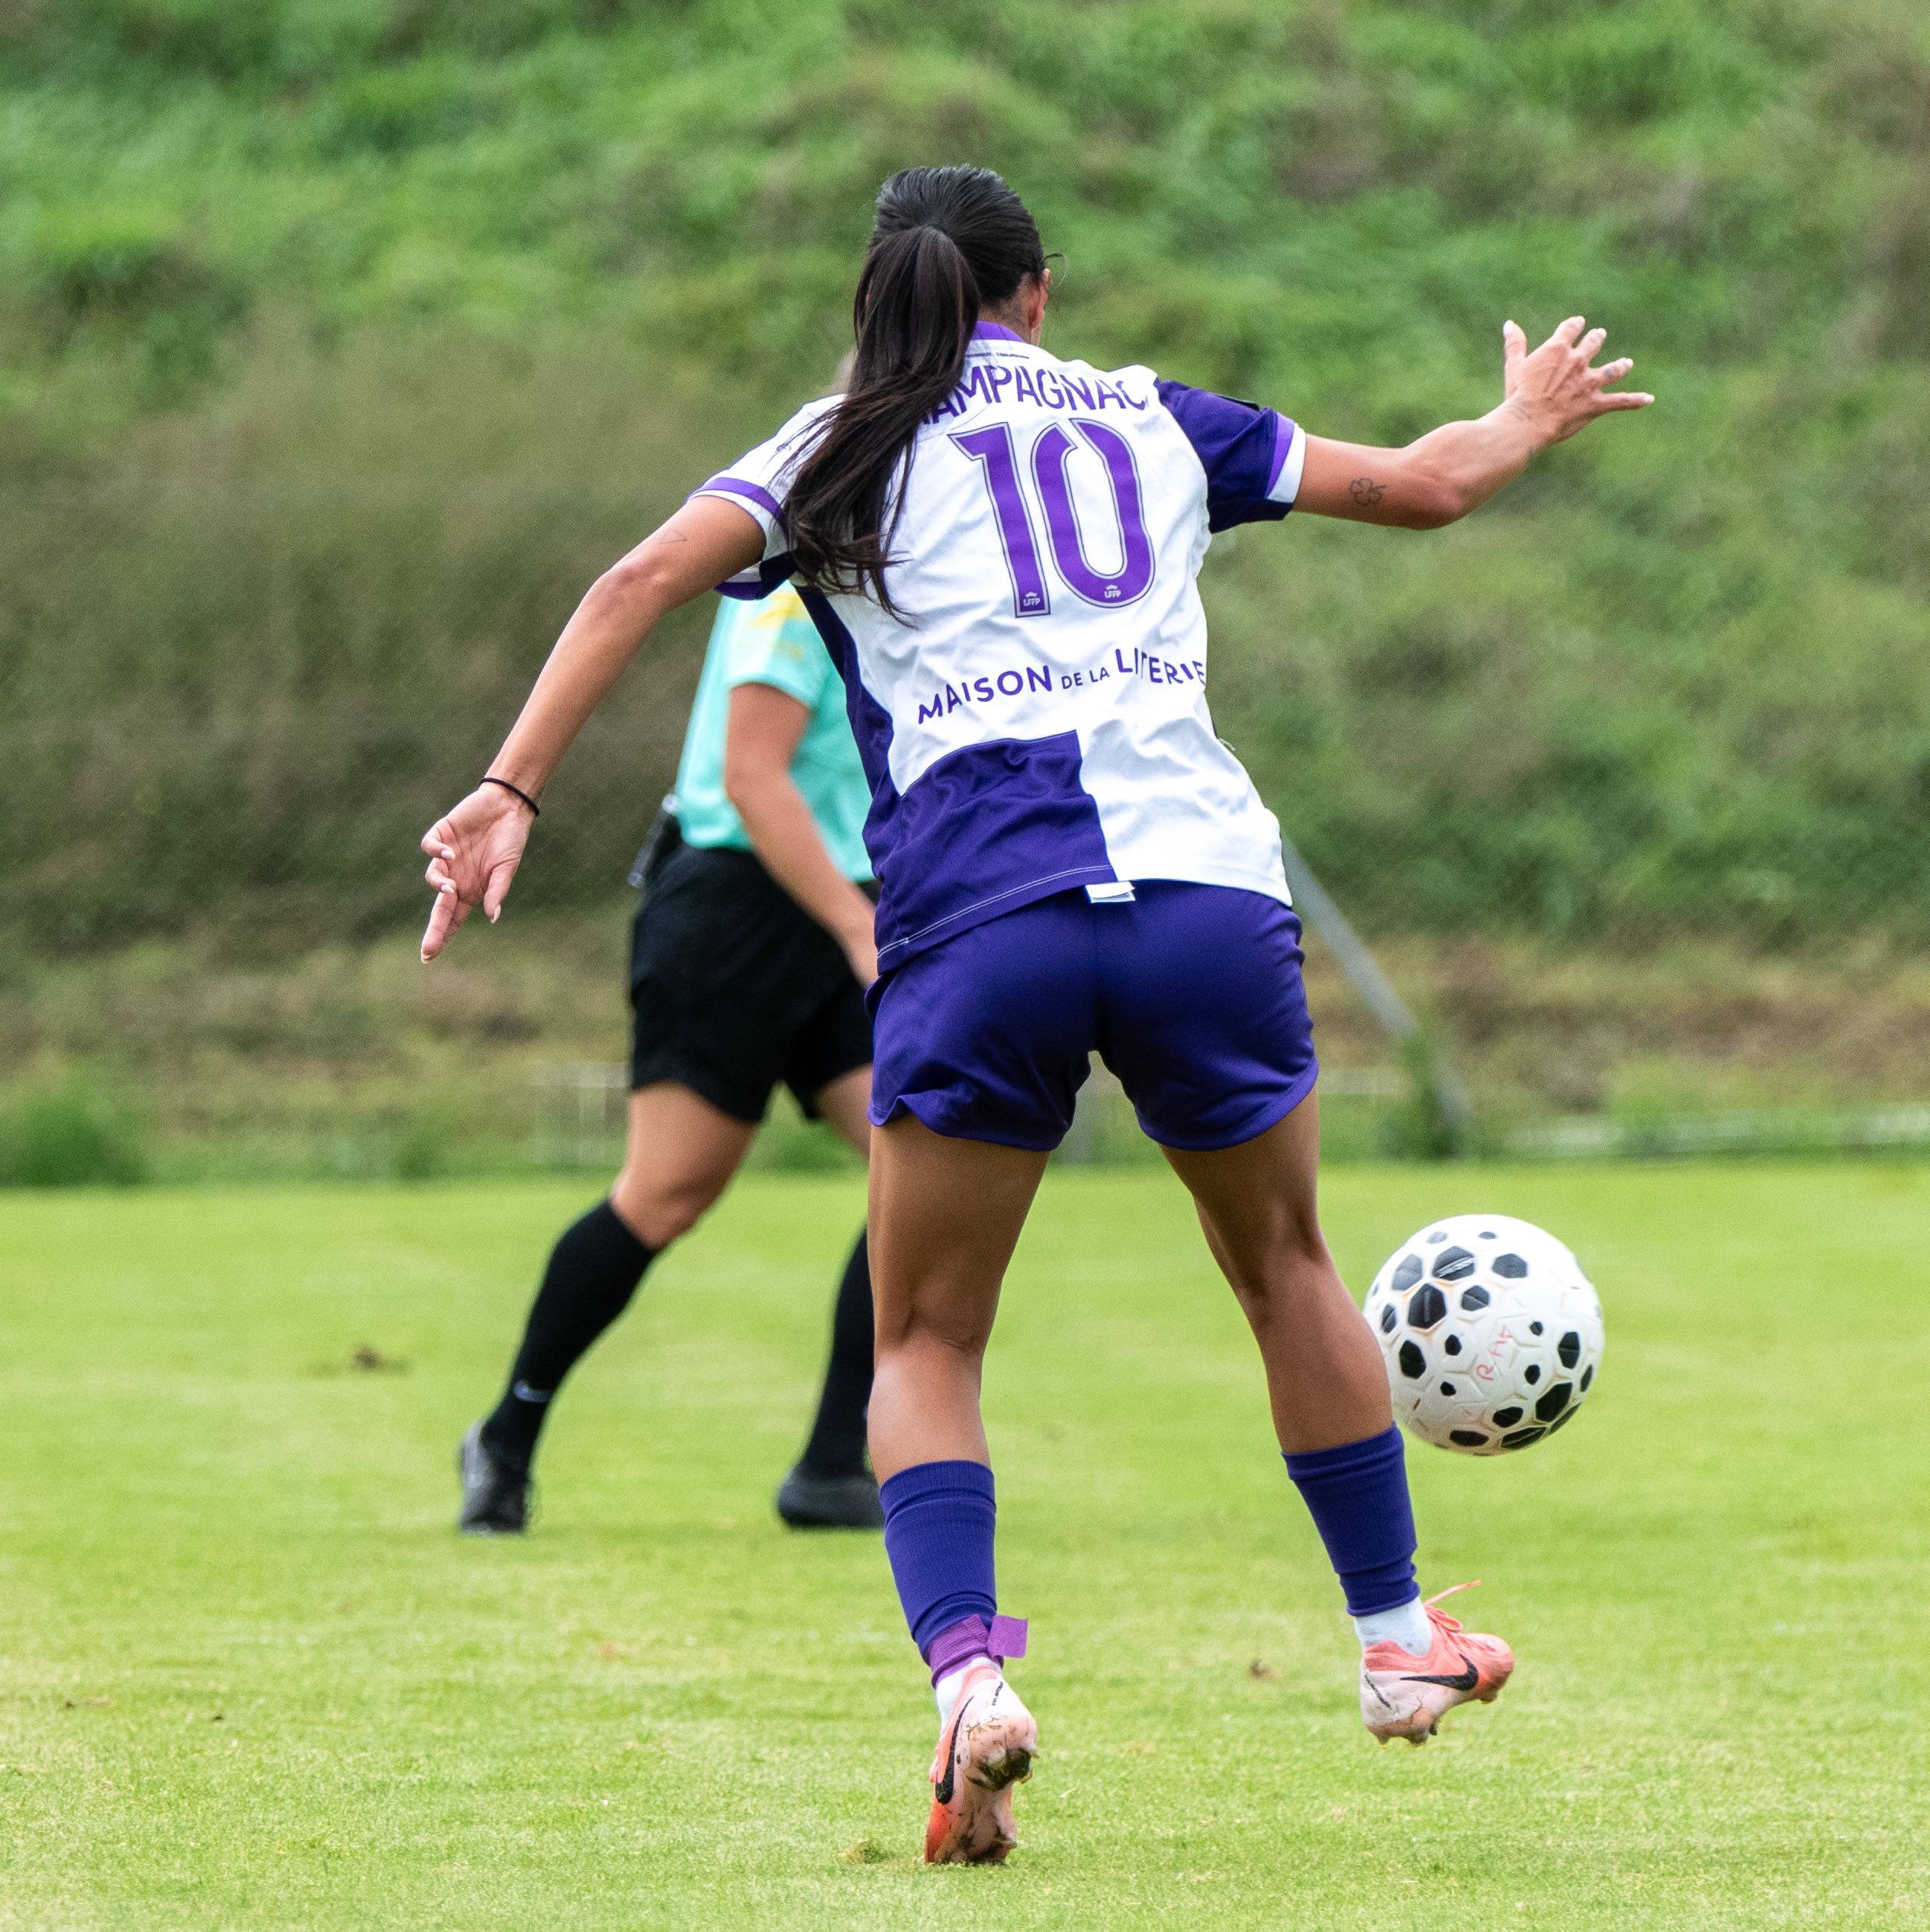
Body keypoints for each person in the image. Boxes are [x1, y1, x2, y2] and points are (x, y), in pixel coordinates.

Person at [417, 164, 1648, 1864]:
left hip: (985, 916)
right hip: (1203, 902)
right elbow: (1427, 485)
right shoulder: (1155, 417)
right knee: (1285, 1266)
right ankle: (1390, 1639)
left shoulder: (836, 445)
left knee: (926, 1341)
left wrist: (507, 787)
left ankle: (969, 1682)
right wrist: (1521, 417)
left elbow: (634, 580)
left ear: (878, 298)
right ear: (1038, 294)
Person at [455, 576, 889, 1535]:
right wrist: (858, 930)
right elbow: (750, 776)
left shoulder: (918, 575)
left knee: (920, 1168)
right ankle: (505, 1437)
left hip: (849, 903)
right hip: (737, 909)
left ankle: (831, 1467)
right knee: (664, 1195)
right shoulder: (796, 578)